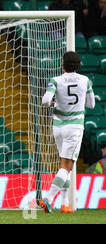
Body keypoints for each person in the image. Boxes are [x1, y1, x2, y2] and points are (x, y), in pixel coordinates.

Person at [40, 51, 95, 214]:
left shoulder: (55, 80)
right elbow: (91, 105)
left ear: (63, 64)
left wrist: (55, 104)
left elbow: (44, 101)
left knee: (65, 166)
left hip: (58, 126)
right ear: (78, 65)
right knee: (66, 166)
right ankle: (48, 199)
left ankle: (65, 204)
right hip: (74, 127)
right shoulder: (86, 81)